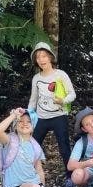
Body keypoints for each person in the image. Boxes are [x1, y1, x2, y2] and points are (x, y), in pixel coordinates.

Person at [0, 107, 59, 187]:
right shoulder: (10, 140)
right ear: (15, 124)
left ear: (33, 126)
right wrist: (14, 115)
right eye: (21, 121)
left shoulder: (35, 146)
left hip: (34, 184)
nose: (25, 124)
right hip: (15, 186)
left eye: (29, 122)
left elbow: (39, 169)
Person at [28, 41, 76, 176]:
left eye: (44, 56)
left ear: (50, 57)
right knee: (33, 146)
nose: (41, 59)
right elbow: (33, 99)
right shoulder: (36, 78)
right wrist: (28, 116)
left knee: (64, 148)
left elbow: (72, 94)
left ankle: (70, 177)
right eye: (38, 57)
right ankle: (29, 175)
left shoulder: (60, 74)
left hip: (59, 116)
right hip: (41, 117)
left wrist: (63, 100)